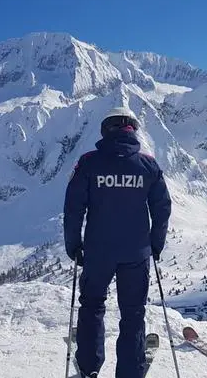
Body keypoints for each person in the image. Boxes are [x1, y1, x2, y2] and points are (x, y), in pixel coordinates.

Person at [63, 107, 172, 378]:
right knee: (133, 312)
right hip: (136, 253)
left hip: (98, 252)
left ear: (105, 131)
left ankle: (88, 367)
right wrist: (155, 244)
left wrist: (73, 245)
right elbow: (162, 208)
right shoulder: (148, 165)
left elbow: (74, 207)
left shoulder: (89, 163)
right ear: (133, 130)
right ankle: (130, 371)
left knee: (91, 306)